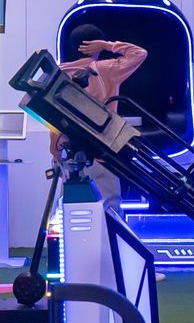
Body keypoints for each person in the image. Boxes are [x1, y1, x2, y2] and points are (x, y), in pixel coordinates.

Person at [51, 22, 147, 199]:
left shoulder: (58, 74)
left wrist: (54, 148)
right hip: (103, 152)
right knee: (109, 208)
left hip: (70, 153)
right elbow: (139, 53)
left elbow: (52, 115)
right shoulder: (106, 69)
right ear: (95, 46)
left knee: (73, 206)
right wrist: (107, 45)